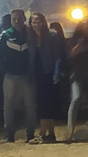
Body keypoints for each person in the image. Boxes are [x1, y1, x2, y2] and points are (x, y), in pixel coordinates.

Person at [0, 9, 38, 143]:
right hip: (10, 76)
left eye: (19, 18)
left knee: (30, 105)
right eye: (14, 18)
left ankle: (30, 134)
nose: (17, 21)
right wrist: (4, 70)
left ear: (24, 19)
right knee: (8, 105)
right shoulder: (6, 35)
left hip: (28, 75)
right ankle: (9, 134)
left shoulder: (31, 34)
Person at [27, 14, 64, 143]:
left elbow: (57, 56)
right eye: (33, 21)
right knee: (43, 103)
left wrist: (57, 73)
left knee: (47, 103)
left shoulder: (51, 35)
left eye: (38, 21)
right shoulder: (30, 37)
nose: (36, 24)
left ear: (43, 22)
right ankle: (51, 133)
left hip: (48, 72)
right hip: (37, 73)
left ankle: (43, 133)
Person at [64, 19, 88, 144]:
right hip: (77, 76)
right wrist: (76, 50)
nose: (87, 29)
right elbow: (68, 57)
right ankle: (70, 131)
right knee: (76, 98)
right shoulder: (74, 40)